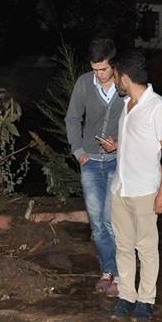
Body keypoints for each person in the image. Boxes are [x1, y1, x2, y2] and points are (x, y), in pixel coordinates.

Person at [108, 49, 162, 322]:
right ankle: (127, 296)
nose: (114, 83)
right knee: (123, 246)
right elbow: (137, 143)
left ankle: (146, 300)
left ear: (125, 77)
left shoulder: (158, 107)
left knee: (146, 247)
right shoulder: (127, 105)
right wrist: (118, 146)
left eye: (115, 77)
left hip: (145, 190)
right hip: (120, 188)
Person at [65, 37, 122, 297]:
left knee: (112, 221)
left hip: (116, 164)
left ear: (114, 65)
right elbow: (73, 117)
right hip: (89, 163)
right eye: (94, 69)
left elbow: (137, 121)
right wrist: (78, 150)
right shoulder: (85, 83)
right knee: (97, 224)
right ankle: (106, 271)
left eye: (103, 69)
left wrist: (119, 144)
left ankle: (121, 274)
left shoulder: (124, 85)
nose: (98, 74)